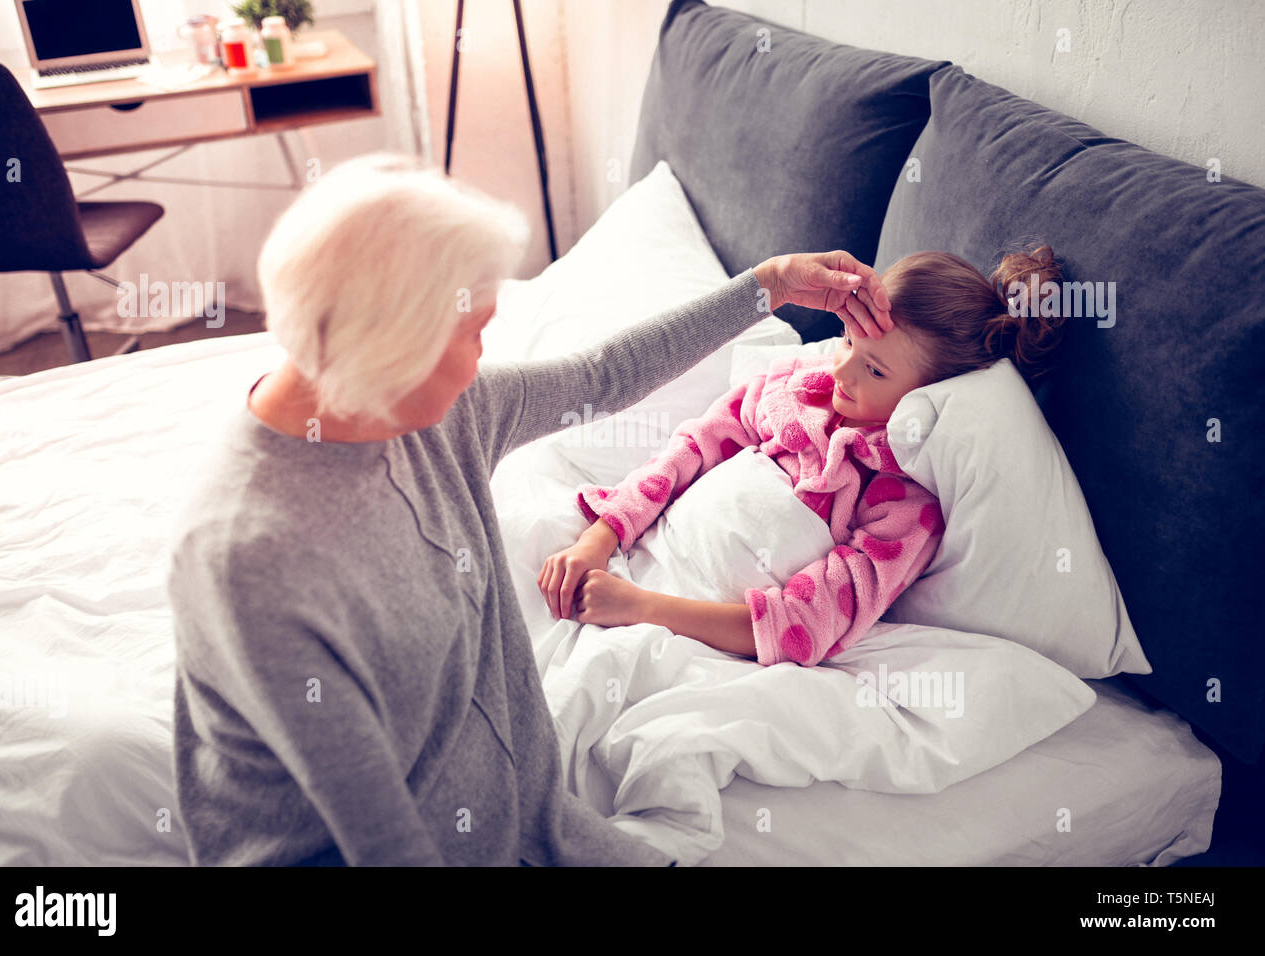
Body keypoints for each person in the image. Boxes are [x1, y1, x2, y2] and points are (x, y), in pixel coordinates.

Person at [166, 150, 894, 866]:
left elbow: (602, 375)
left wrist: (769, 285)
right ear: (392, 351)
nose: (484, 357)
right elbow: (384, 841)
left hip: (521, 818)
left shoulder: (437, 416)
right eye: (473, 332)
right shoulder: (247, 559)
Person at [539, 246, 1066, 667]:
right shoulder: (791, 392)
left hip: (685, 631)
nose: (841, 373)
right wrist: (596, 539)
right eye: (846, 342)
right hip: (630, 555)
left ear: (931, 396)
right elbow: (687, 453)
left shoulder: (901, 507)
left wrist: (638, 610)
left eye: (875, 371)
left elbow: (802, 627)